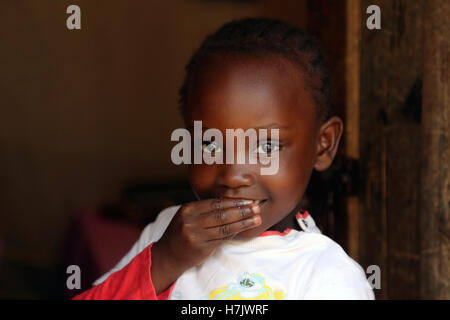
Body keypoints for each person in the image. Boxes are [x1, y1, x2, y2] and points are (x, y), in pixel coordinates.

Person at [73, 17, 375, 300]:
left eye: (266, 147)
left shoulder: (327, 277)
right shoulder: (166, 235)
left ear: (323, 146)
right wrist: (164, 262)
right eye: (210, 145)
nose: (232, 175)